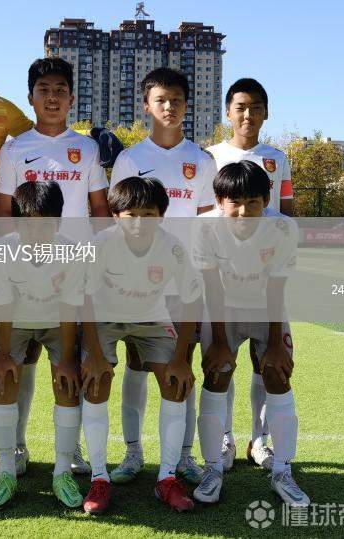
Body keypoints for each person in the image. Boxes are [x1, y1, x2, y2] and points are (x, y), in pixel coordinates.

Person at [0, 57, 110, 475]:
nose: (53, 97)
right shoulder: (14, 148)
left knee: (69, 361)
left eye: (61, 90)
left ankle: (71, 449)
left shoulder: (87, 148)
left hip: (73, 272)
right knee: (20, 360)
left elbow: (100, 210)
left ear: (72, 98)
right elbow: (4, 212)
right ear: (31, 98)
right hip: (26, 271)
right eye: (44, 90)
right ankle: (16, 446)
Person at [109, 68, 216, 485]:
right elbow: (120, 220)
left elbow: (205, 224)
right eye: (160, 100)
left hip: (182, 283)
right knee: (136, 363)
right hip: (137, 283)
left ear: (187, 105)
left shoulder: (202, 161)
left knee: (180, 364)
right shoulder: (130, 159)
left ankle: (183, 456)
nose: (169, 107)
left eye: (176, 100)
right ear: (146, 106)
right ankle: (133, 452)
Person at [80, 177, 202, 514]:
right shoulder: (100, 244)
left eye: (148, 214)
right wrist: (94, 355)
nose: (139, 222)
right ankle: (99, 478)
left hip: (152, 319)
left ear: (161, 215)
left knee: (176, 383)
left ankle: (167, 478)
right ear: (115, 216)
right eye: (130, 214)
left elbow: (191, 300)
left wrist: (181, 358)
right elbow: (84, 298)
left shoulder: (173, 247)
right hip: (104, 320)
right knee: (96, 381)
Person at [191, 160, 309, 508]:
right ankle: (213, 468)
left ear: (266, 201)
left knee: (277, 373)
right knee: (216, 373)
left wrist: (274, 345)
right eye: (235, 203)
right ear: (219, 201)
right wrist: (220, 344)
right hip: (222, 310)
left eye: (253, 203)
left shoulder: (283, 228)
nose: (244, 212)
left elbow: (276, 287)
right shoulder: (203, 227)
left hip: (265, 309)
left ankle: (282, 472)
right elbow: (212, 287)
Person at [206, 78, 294, 471]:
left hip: (264, 278)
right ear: (228, 112)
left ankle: (259, 440)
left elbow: (286, 212)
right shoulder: (209, 156)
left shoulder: (278, 158)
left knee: (268, 365)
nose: (248, 114)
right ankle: (223, 438)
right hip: (222, 280)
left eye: (256, 107)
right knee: (219, 364)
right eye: (240, 107)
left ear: (266, 113)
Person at [0, 180, 86, 509]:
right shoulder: (2, 251)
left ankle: (62, 473)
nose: (36, 232)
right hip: (15, 323)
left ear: (59, 222)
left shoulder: (72, 252)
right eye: (28, 224)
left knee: (68, 384)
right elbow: (3, 307)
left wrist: (68, 359)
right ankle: (6, 473)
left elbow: (69, 309)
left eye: (45, 224)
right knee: (3, 381)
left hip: (58, 323)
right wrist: (2, 356)